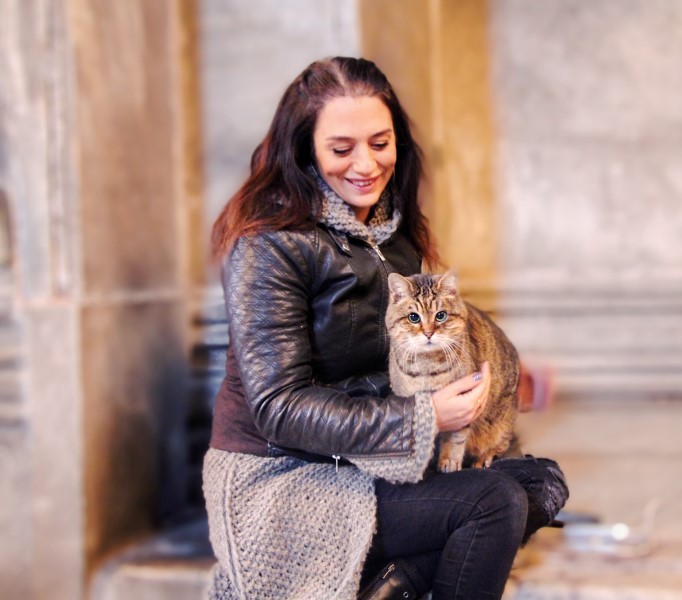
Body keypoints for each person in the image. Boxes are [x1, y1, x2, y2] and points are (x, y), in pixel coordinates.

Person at [203, 56, 568, 600]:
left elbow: (417, 330)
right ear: (305, 151)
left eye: (380, 142)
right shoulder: (268, 244)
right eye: (341, 148)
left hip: (369, 454)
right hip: (288, 479)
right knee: (493, 504)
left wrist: (501, 368)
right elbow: (278, 408)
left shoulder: (392, 230)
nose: (366, 164)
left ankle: (391, 587)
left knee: (541, 481)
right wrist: (424, 417)